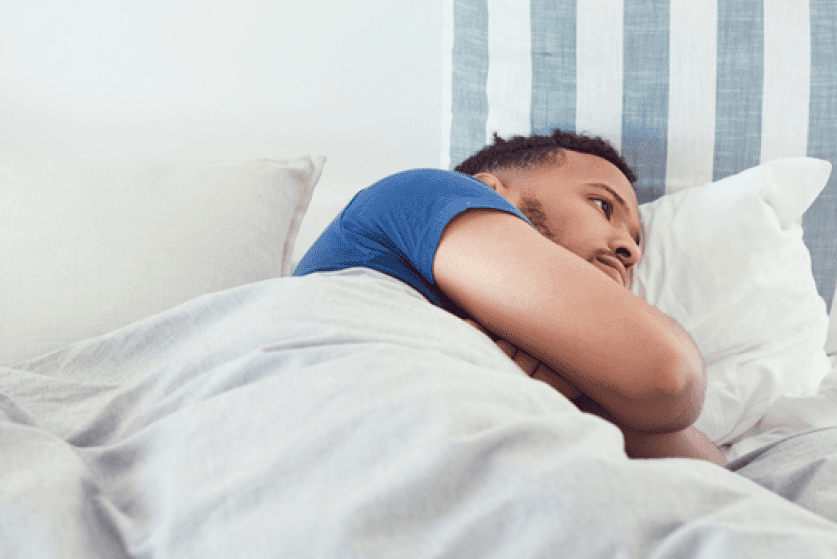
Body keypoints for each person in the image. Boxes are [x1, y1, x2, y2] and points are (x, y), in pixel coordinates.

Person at [294, 130, 726, 464]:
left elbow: (715, 474)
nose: (630, 250)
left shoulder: (574, 366)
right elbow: (669, 377)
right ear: (489, 190)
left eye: (636, 241)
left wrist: (571, 382)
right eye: (602, 205)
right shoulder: (418, 192)